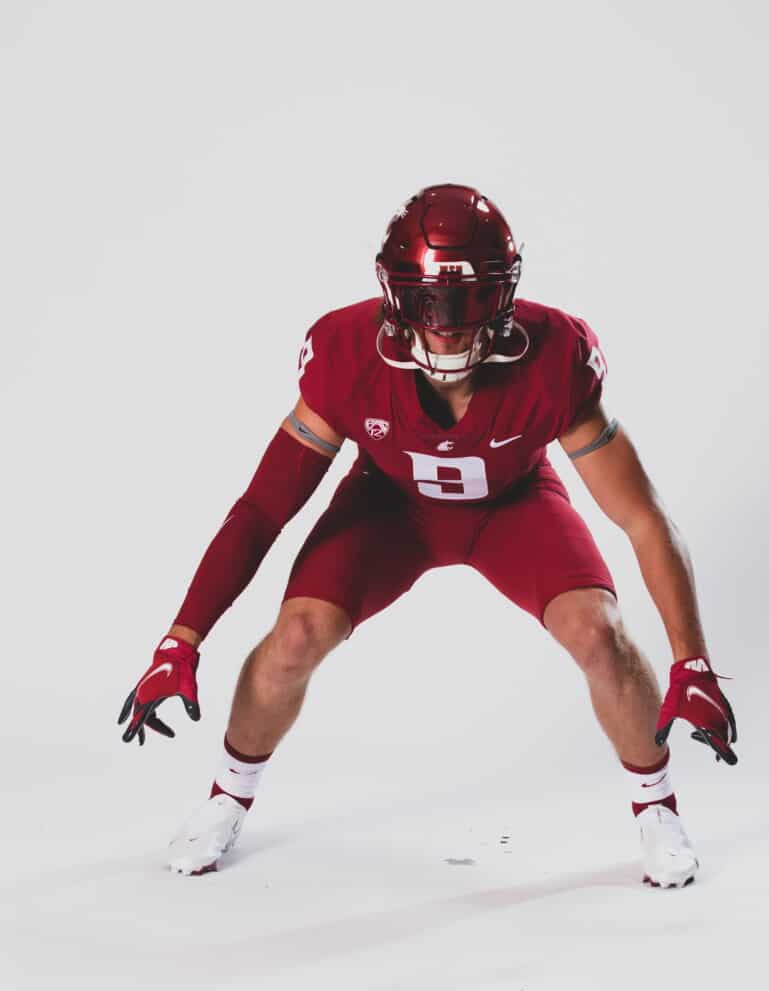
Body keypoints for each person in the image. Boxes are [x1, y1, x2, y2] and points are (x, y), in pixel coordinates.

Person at [118, 184, 737, 884]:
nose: (444, 325)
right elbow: (264, 507)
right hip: (388, 509)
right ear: (392, 293)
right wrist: (182, 637)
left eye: (466, 302)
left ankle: (657, 807)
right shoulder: (346, 351)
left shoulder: (553, 351)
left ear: (503, 293)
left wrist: (692, 660)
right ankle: (227, 796)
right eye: (426, 301)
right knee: (295, 635)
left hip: (514, 505)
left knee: (598, 631)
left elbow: (641, 515)